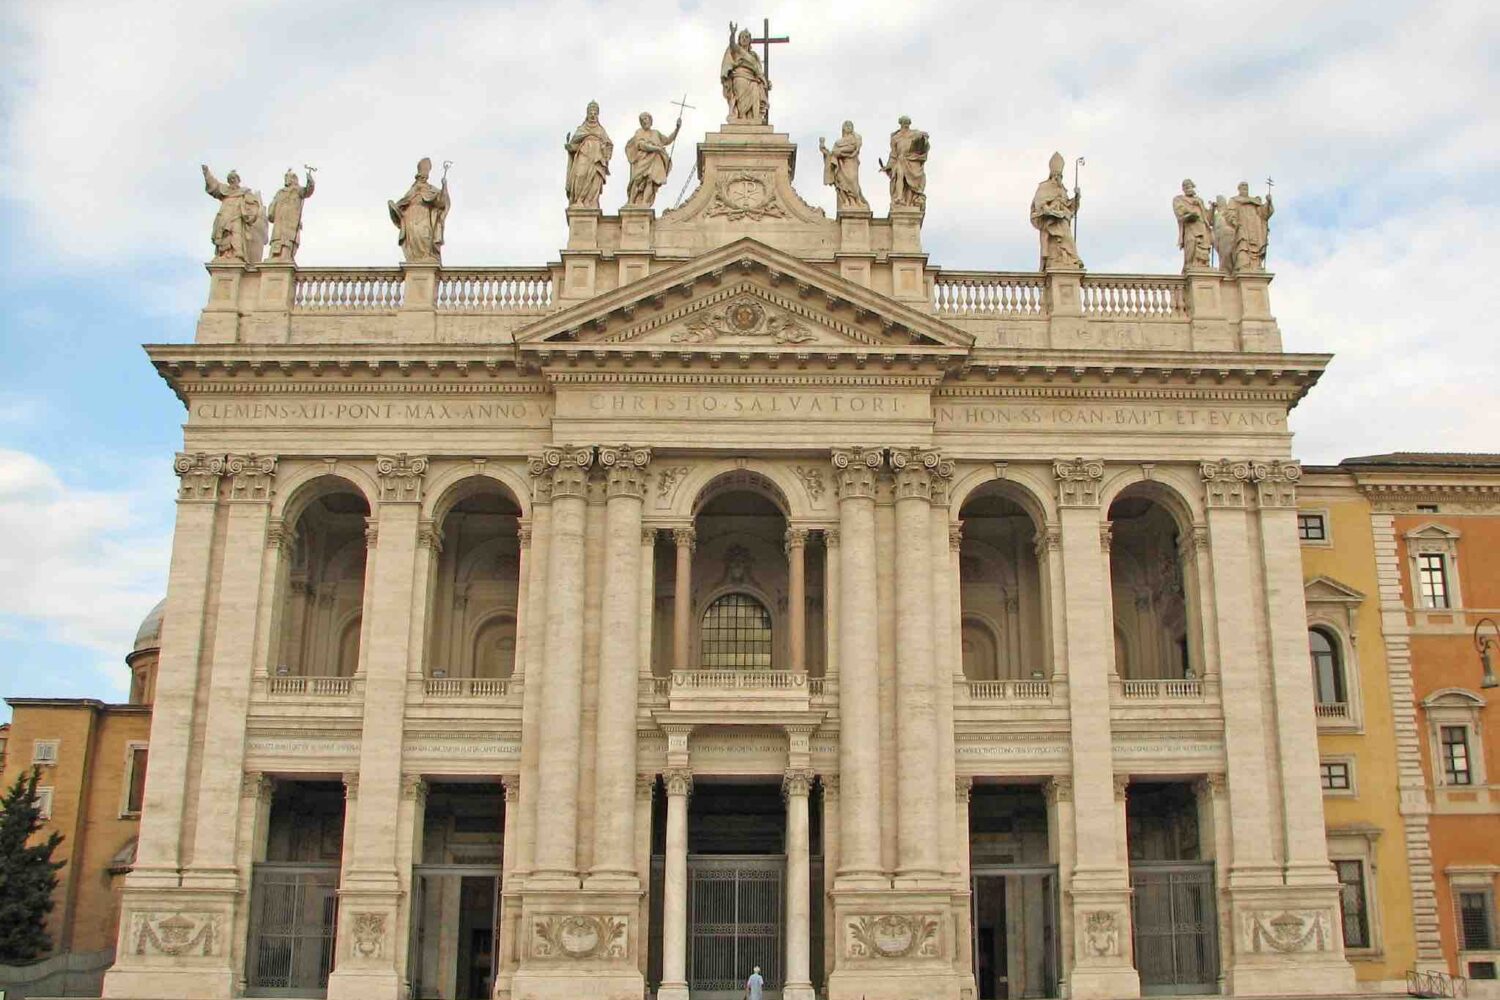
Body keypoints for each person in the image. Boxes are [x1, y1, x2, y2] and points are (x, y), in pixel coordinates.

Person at [388, 158, 450, 264]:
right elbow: (404, 201)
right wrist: (396, 208)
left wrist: (444, 186)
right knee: (413, 238)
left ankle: (427, 256)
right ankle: (417, 260)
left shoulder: (431, 189)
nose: (423, 176)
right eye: (422, 173)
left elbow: (442, 202)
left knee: (425, 237)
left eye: (426, 172)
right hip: (411, 217)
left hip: (424, 216)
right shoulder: (413, 189)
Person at [1030, 152, 1082, 269]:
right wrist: (1050, 210)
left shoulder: (1062, 189)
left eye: (1060, 175)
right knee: (1064, 234)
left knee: (1066, 234)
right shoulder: (1044, 187)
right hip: (1050, 221)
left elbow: (1070, 207)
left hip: (1062, 218)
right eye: (1056, 175)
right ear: (1052, 174)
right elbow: (1039, 205)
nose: (1058, 177)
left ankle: (1070, 258)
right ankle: (1073, 258)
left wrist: (1077, 197)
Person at [624, 111, 681, 208]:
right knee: (637, 179)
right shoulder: (639, 132)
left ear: (650, 120)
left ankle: (645, 203)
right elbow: (641, 145)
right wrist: (656, 148)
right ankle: (631, 202)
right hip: (643, 159)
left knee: (651, 180)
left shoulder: (656, 133)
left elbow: (667, 140)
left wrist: (677, 129)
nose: (644, 121)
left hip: (655, 160)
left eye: (645, 119)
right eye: (642, 120)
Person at [565, 101, 613, 209]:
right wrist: (570, 147)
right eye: (590, 112)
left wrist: (606, 153)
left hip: (597, 158)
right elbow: (574, 144)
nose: (592, 114)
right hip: (584, 154)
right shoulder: (581, 129)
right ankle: (578, 200)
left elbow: (609, 144)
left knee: (595, 179)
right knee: (580, 175)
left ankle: (589, 202)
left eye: (595, 112)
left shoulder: (601, 130)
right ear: (587, 113)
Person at [721, 22, 770, 123]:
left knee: (756, 89)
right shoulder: (737, 51)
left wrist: (765, 81)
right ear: (739, 39)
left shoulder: (754, 55)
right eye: (742, 37)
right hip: (739, 76)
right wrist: (733, 34)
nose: (744, 39)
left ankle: (755, 119)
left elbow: (759, 71)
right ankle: (741, 117)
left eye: (747, 37)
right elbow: (732, 44)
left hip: (753, 78)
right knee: (741, 100)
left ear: (750, 40)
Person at [880, 116, 929, 211]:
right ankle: (899, 197)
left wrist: (924, 138)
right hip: (900, 159)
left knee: (906, 178)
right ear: (901, 124)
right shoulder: (895, 137)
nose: (906, 125)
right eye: (904, 123)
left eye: (908, 123)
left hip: (911, 160)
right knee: (899, 174)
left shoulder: (915, 133)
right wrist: (888, 166)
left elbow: (924, 138)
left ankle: (906, 199)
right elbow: (893, 154)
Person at [268, 168, 316, 262]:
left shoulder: (297, 190)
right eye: (286, 177)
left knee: (289, 239)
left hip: (291, 221)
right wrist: (270, 213)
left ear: (294, 179)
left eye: (289, 177)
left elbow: (308, 191)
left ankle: (286, 256)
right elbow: (273, 205)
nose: (287, 179)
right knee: (278, 238)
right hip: (280, 220)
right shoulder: (280, 192)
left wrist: (310, 181)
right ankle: (276, 257)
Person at [820, 120, 869, 211]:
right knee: (842, 183)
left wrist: (840, 152)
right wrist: (824, 150)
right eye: (846, 126)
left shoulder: (856, 138)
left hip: (851, 162)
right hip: (841, 165)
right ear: (843, 128)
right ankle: (848, 201)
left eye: (850, 125)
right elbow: (832, 154)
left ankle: (857, 200)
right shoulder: (838, 142)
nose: (848, 127)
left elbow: (853, 148)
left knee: (852, 180)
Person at [1229, 180, 1274, 272]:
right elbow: (1230, 212)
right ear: (1239, 189)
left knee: (1255, 248)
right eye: (1243, 186)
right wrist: (1234, 221)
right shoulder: (1234, 200)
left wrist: (1269, 202)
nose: (1245, 187)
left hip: (1255, 228)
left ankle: (1255, 266)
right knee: (1242, 246)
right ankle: (1243, 265)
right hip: (1242, 227)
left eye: (1246, 186)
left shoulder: (1255, 201)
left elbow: (1264, 214)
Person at [1172, 179, 1212, 270]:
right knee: (1191, 243)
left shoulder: (1199, 201)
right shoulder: (1179, 199)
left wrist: (1212, 208)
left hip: (1202, 227)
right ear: (1183, 188)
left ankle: (1202, 265)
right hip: (1190, 227)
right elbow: (1179, 211)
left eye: (1189, 186)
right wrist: (1190, 213)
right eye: (1185, 186)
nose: (1187, 187)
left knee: (1202, 246)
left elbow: (1208, 219)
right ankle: (1188, 266)